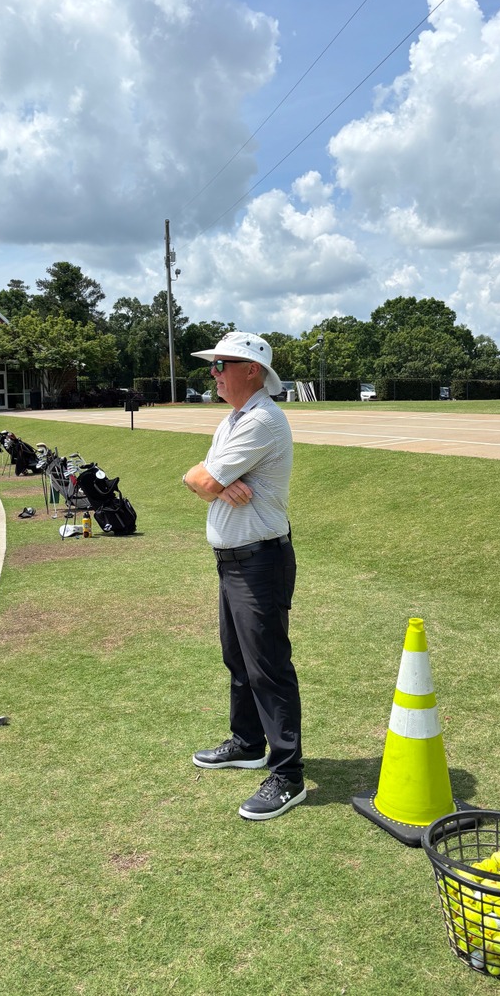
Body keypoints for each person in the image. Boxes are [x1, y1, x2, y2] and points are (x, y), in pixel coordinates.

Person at [182, 332, 304, 821]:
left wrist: (216, 482)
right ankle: (249, 742)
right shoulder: (233, 419)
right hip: (233, 559)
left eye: (220, 365)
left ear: (251, 369)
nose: (213, 374)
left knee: (268, 667)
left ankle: (288, 773)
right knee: (237, 658)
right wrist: (212, 481)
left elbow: (204, 480)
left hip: (260, 561)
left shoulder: (262, 420)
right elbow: (197, 479)